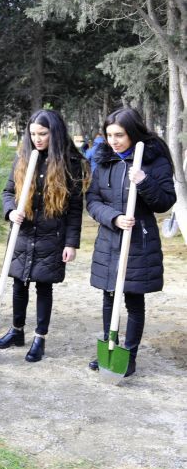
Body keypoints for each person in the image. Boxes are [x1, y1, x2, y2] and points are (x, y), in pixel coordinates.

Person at [0, 109, 89, 362]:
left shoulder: (71, 163)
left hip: (51, 235)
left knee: (43, 287)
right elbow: (7, 191)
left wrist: (71, 243)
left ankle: (40, 338)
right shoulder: (23, 158)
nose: (37, 138)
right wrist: (11, 211)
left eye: (43, 134)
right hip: (23, 233)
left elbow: (75, 208)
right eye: (33, 133)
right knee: (19, 283)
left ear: (54, 133)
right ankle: (16, 331)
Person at [86, 108, 175, 377]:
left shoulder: (153, 160)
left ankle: (130, 355)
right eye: (109, 135)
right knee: (109, 296)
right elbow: (92, 201)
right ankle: (109, 347)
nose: (113, 141)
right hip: (110, 240)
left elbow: (164, 202)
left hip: (139, 243)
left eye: (119, 135)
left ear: (133, 133)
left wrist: (144, 181)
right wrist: (114, 218)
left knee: (133, 301)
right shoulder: (104, 161)